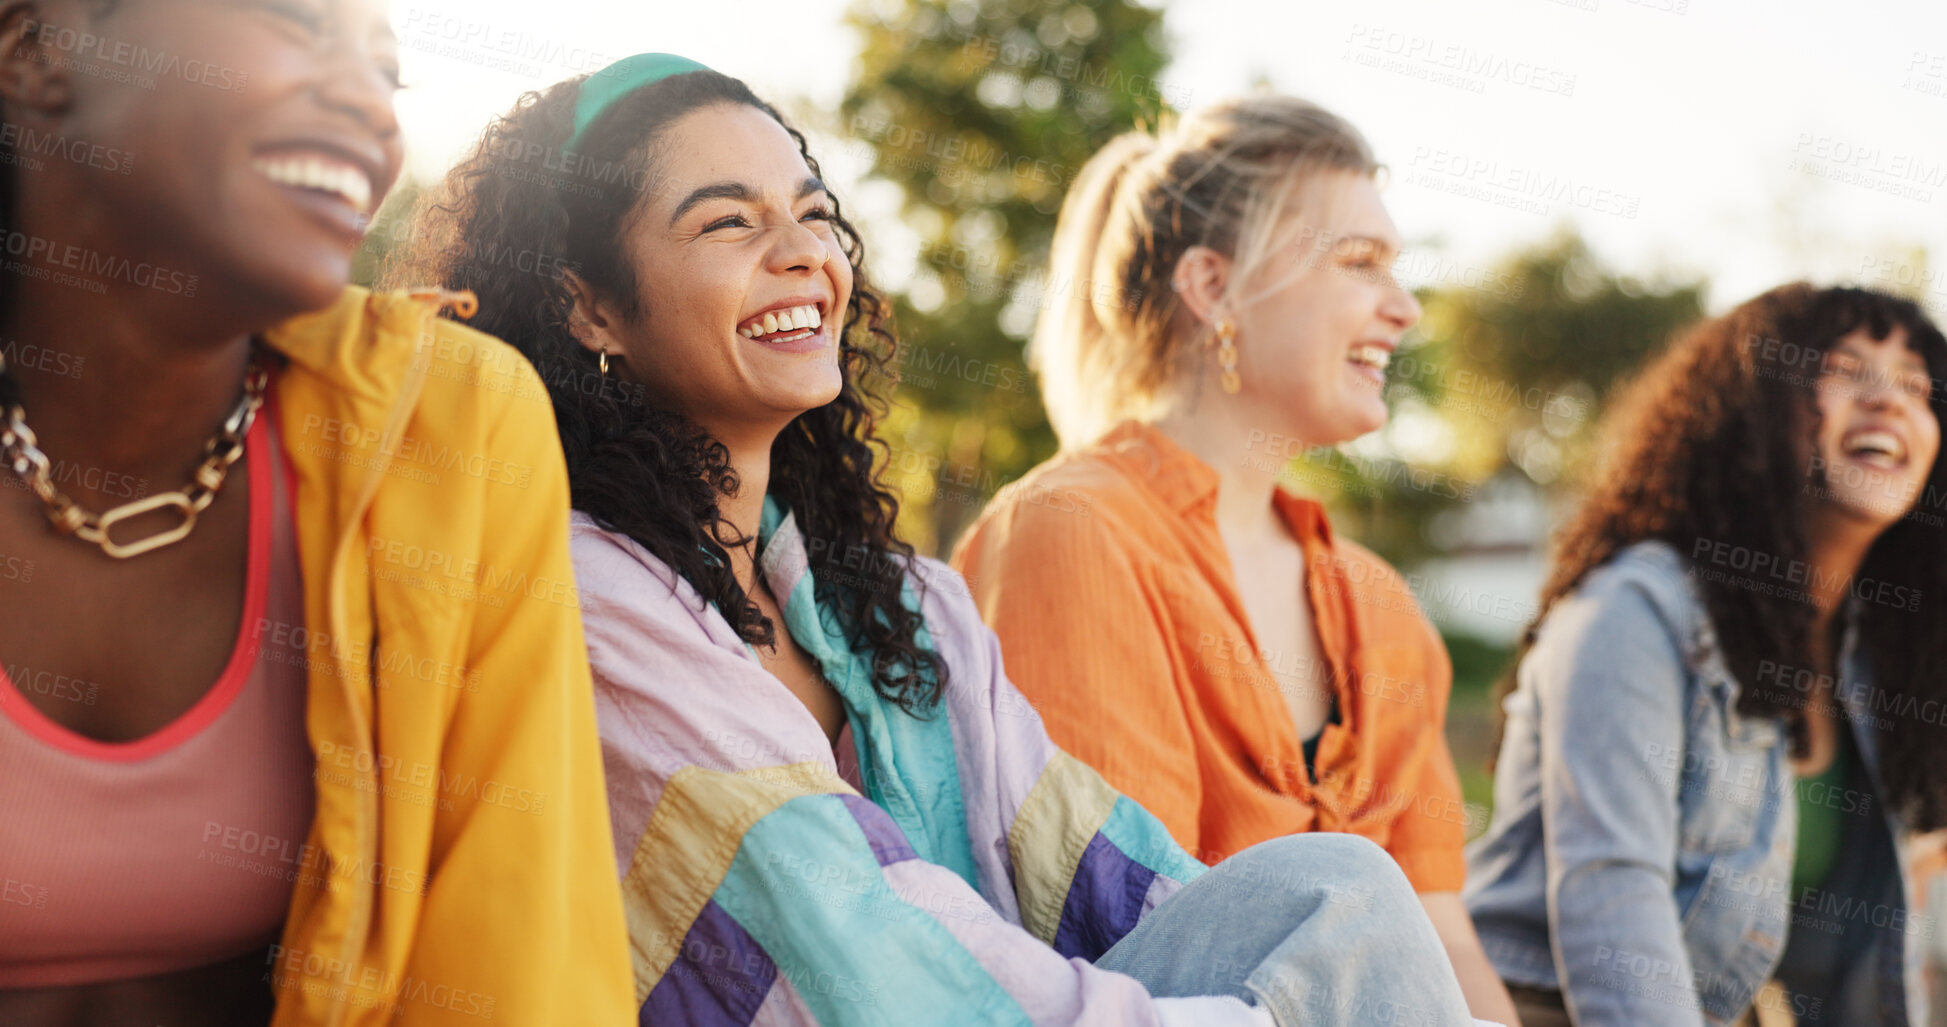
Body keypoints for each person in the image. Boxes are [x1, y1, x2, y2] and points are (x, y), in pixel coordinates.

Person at [394, 54, 1499, 1026]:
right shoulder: (581, 592)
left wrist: (1316, 982)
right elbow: (854, 952)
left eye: (815, 213)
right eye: (729, 221)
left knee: (1339, 896)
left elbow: (1109, 873)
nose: (801, 253)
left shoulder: (903, 604)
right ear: (589, 309)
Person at [0, 0, 633, 1023]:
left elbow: (516, 969)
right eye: (297, 23)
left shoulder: (453, 427)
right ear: (39, 52)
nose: (368, 110)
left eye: (387, 76)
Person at [948, 96, 1518, 1024]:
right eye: (1358, 262)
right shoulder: (1072, 532)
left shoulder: (1380, 605)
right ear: (1212, 286)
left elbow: (1441, 932)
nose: (1404, 308)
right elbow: (1123, 934)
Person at [1464, 284, 1947, 1026]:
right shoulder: (1635, 609)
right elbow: (1612, 905)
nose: (1888, 399)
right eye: (1846, 369)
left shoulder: (1879, 658)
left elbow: (1867, 962)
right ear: (1751, 409)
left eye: (1915, 385)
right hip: (1545, 1007)